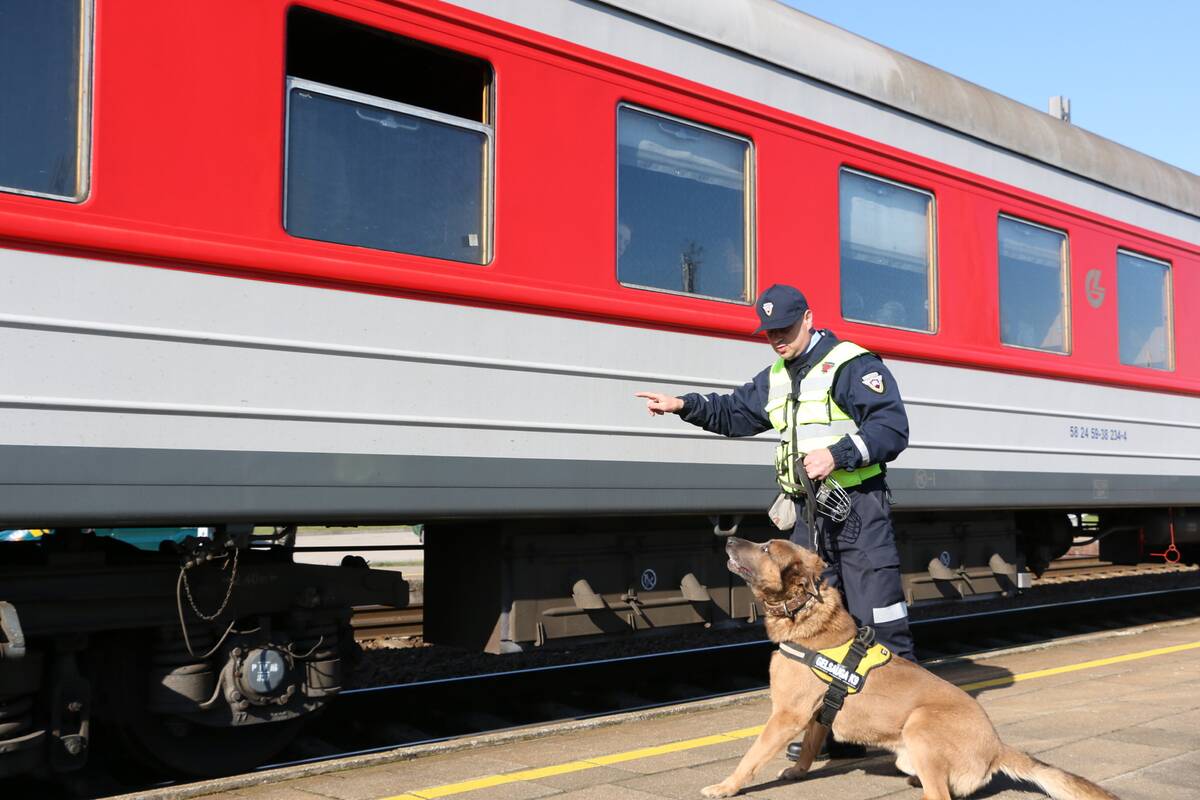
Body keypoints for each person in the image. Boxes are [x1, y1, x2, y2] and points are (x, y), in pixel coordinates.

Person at [636, 284, 914, 755]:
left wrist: (839, 454)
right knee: (815, 628)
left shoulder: (852, 365)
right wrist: (685, 406)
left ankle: (907, 733)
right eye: (769, 333)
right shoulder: (778, 376)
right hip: (811, 515)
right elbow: (734, 413)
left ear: (809, 318)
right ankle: (833, 734)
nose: (777, 339)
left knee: (877, 621)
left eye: (785, 328)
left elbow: (891, 428)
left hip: (858, 512)